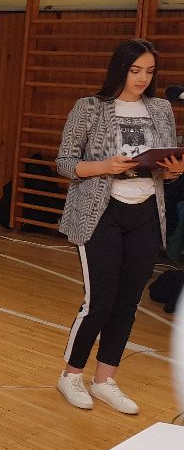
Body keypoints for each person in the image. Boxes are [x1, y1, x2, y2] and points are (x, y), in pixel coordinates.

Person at [55, 38, 184, 414]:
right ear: (120, 69)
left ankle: (104, 379)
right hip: (101, 213)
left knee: (128, 302)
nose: (143, 78)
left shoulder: (161, 109)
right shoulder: (90, 107)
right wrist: (104, 166)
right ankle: (71, 375)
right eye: (135, 70)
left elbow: (166, 165)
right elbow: (65, 162)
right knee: (99, 302)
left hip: (146, 213)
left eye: (149, 71)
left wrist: (174, 171)